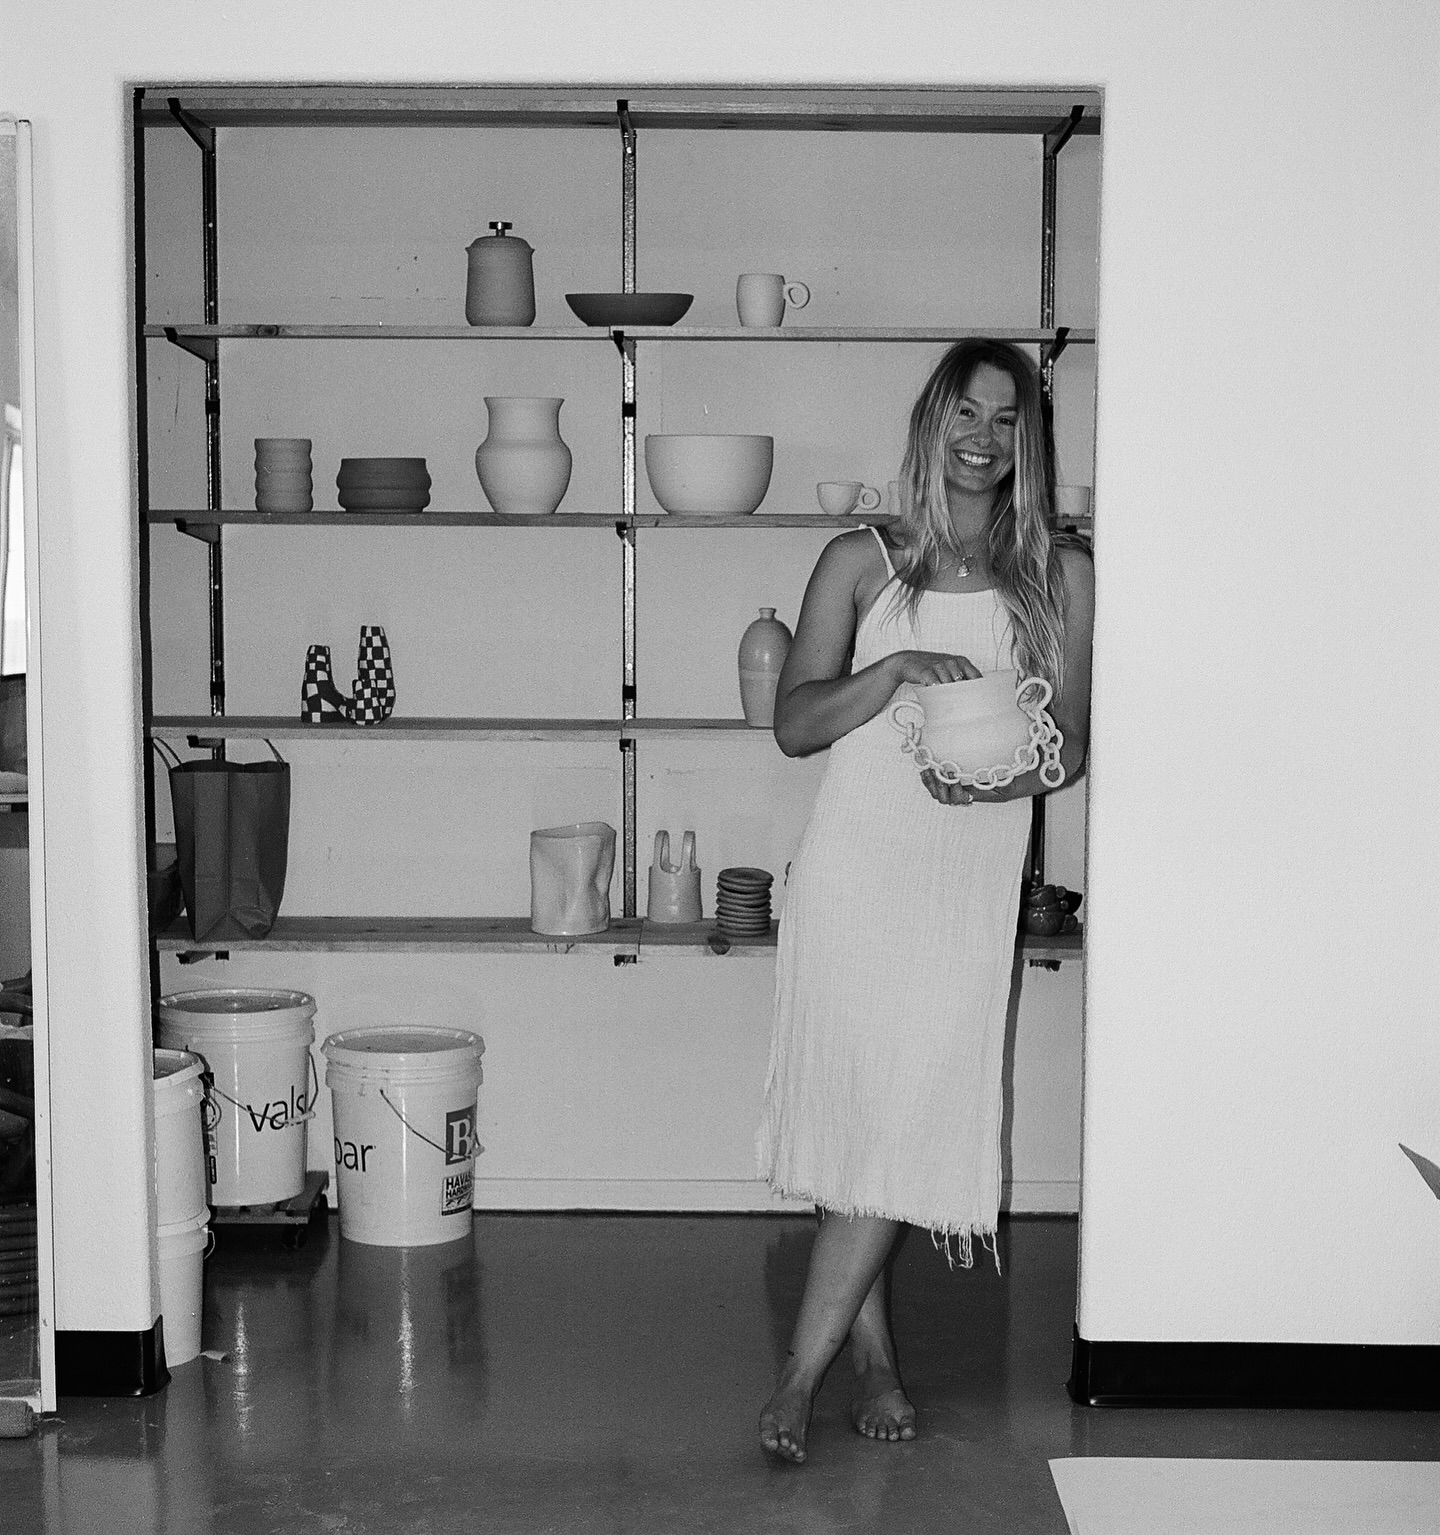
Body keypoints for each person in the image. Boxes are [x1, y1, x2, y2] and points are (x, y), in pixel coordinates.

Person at [755, 338, 1095, 1463]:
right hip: (856, 868)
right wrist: (891, 672)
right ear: (931, 419)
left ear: (1026, 442)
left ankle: (797, 1373)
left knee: (903, 1113)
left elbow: (1070, 746)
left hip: (963, 881)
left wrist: (995, 772)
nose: (985, 438)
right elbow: (797, 723)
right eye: (967, 411)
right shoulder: (863, 560)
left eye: (1008, 420)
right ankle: (865, 1361)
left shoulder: (1061, 572)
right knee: (863, 1113)